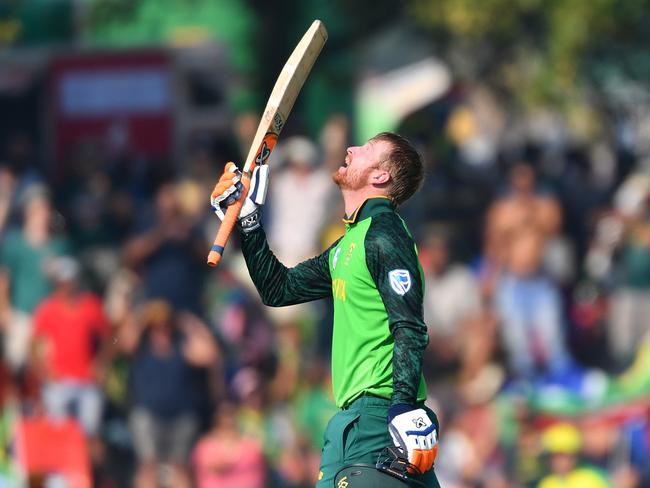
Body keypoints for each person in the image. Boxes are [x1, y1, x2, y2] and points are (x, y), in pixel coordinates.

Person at [211, 132, 440, 487]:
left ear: (380, 177)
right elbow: (278, 289)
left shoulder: (384, 234)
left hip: (380, 416)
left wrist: (403, 407)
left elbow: (409, 326)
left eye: (367, 150)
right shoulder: (350, 242)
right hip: (352, 422)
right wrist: (250, 219)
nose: (351, 149)